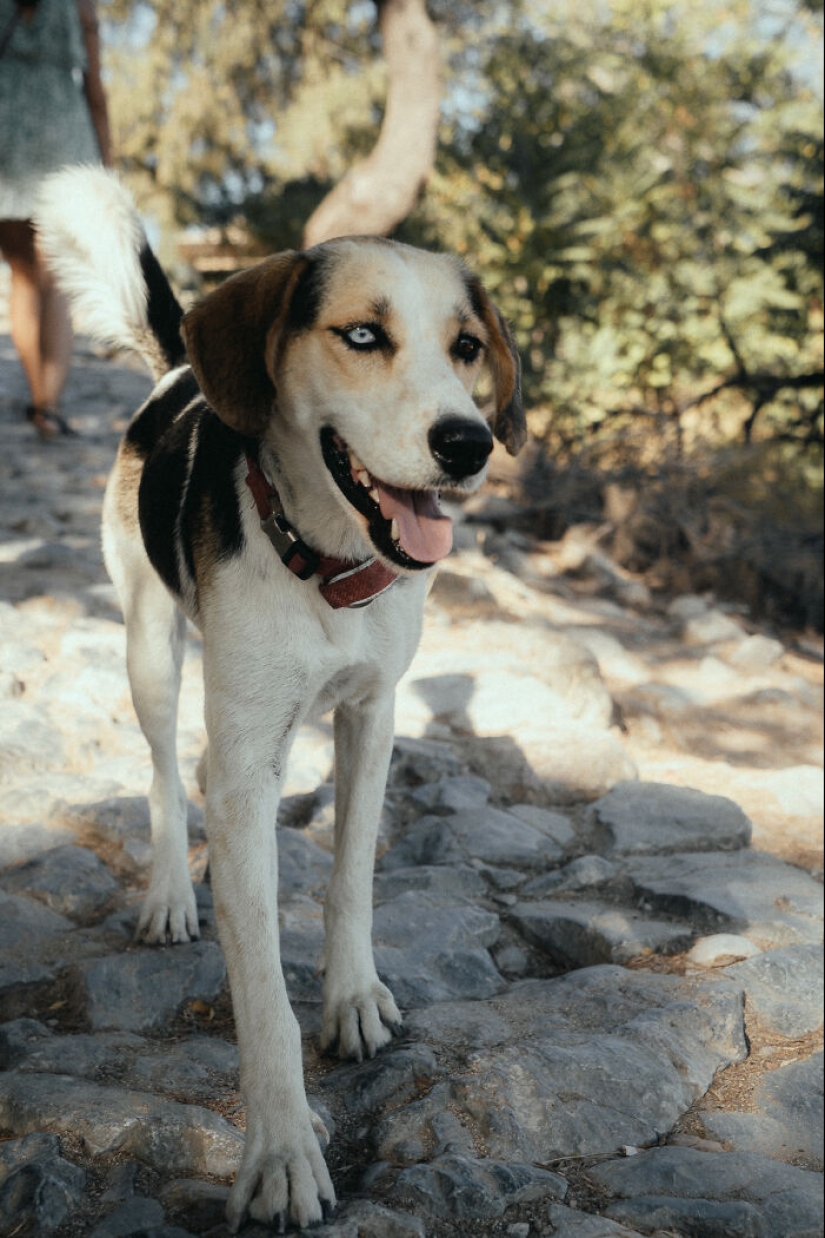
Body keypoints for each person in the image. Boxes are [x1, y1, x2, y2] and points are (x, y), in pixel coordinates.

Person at [0, 0, 112, 438]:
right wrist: (106, 165)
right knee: (56, 282)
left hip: (6, 140)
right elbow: (95, 88)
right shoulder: (78, 5)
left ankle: (37, 397)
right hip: (62, 142)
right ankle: (50, 403)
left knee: (24, 278)